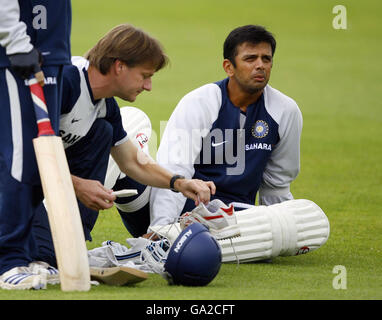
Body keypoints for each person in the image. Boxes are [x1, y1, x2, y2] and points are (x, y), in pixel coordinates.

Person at [31, 24, 215, 270]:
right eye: (145, 75)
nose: (148, 86)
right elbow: (19, 155)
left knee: (102, 133)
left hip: (33, 181)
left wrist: (180, 183)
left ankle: (71, 240)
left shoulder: (105, 106)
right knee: (42, 257)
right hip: (12, 183)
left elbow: (131, 161)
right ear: (119, 66)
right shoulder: (65, 82)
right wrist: (78, 185)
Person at [149, 24, 303, 227]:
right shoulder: (199, 102)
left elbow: (277, 185)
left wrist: (283, 228)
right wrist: (162, 228)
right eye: (250, 59)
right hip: (186, 212)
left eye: (266, 59)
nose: (260, 65)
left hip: (238, 218)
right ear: (229, 67)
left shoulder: (285, 111)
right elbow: (175, 169)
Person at [0, 0, 72, 290]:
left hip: (51, 51)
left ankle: (25, 254)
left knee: (41, 161)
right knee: (21, 159)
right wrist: (15, 41)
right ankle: (7, 259)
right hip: (17, 54)